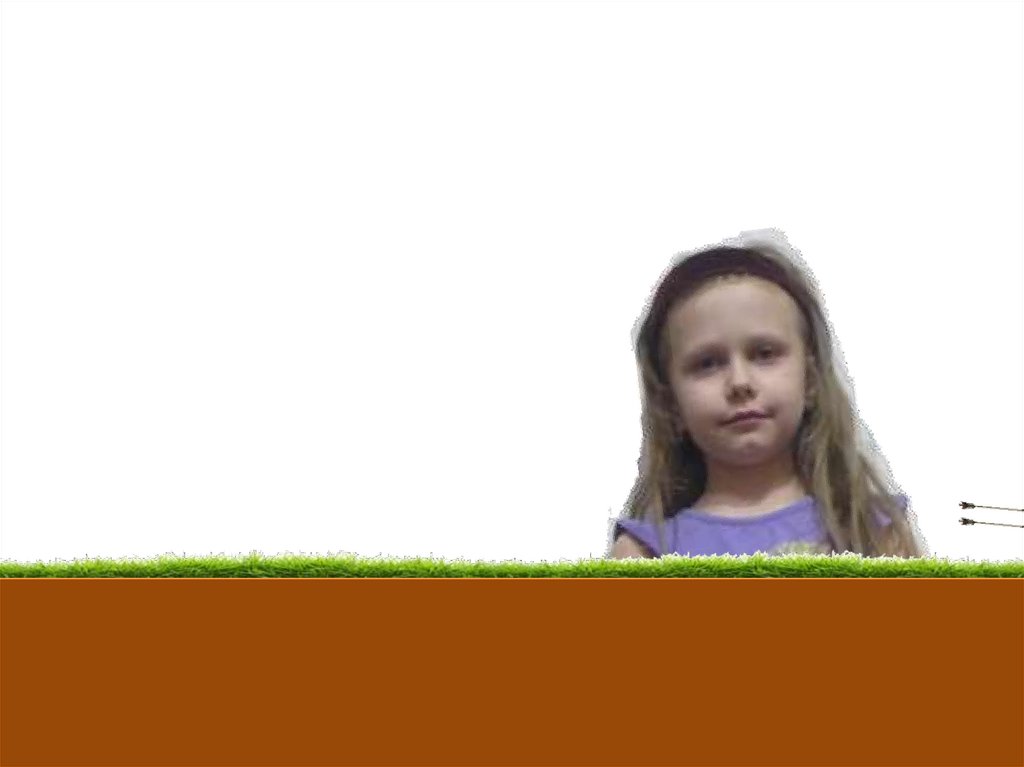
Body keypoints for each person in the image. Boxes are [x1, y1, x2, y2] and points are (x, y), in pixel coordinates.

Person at [607, 229, 929, 560]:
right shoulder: (644, 553)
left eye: (764, 353)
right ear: (670, 403)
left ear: (811, 379)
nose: (739, 382)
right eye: (707, 363)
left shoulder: (873, 532)